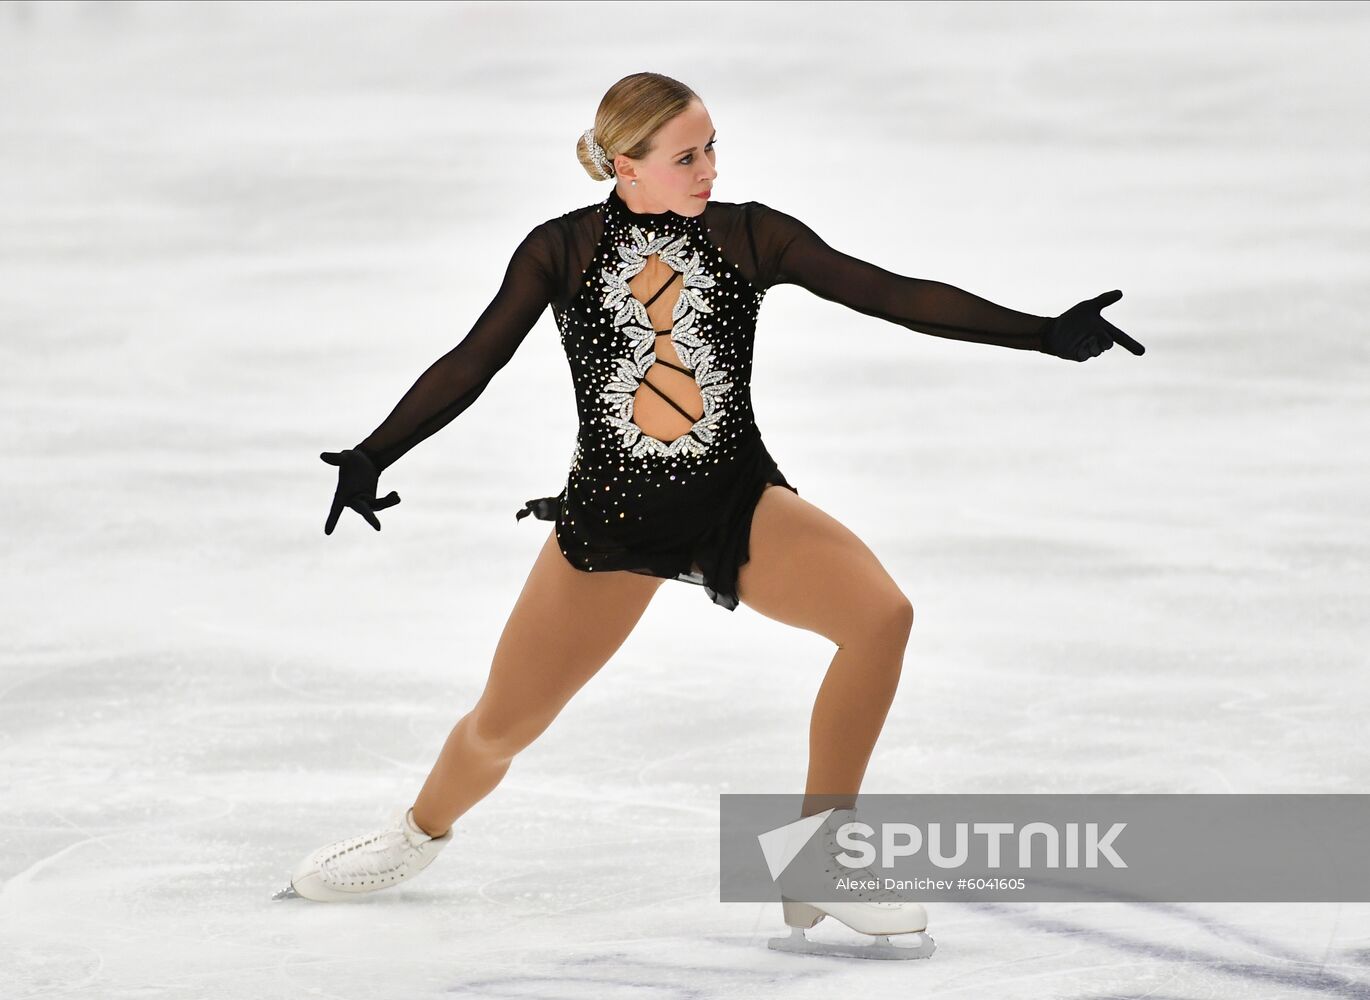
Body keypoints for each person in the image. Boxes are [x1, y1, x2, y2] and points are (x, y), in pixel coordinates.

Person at [273, 73, 1144, 959]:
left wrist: (1040, 331)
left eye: (713, 146)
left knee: (881, 617)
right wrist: (374, 453)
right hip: (613, 522)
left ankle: (820, 863)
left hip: (734, 502)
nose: (708, 168)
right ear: (626, 165)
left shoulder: (747, 235)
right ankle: (417, 831)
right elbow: (473, 360)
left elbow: (889, 292)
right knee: (503, 724)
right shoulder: (561, 250)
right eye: (687, 155)